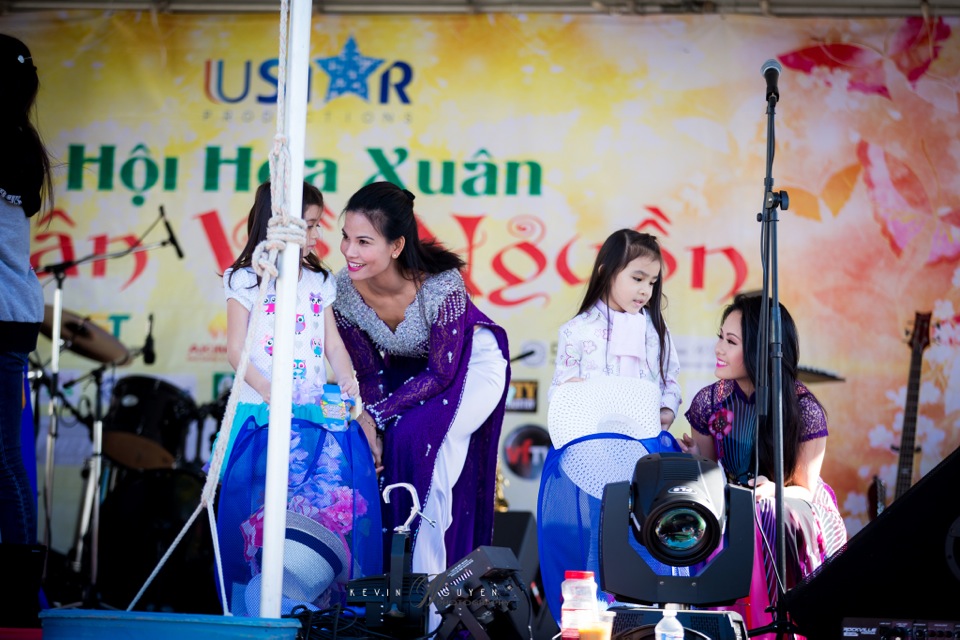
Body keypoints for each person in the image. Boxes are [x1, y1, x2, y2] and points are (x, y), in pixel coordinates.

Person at [215, 181, 381, 615]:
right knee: (255, 509)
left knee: (304, 511)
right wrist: (271, 393)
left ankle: (302, 608)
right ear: (277, 224)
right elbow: (236, 349)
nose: (313, 236)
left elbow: (333, 344)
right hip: (262, 410)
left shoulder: (319, 280)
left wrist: (347, 380)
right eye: (305, 226)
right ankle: (249, 608)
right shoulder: (246, 278)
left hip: (308, 411)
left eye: (315, 226)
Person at [332, 181, 510, 583]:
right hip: (408, 377)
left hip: (471, 367)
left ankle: (431, 592)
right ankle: (402, 588)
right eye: (345, 237)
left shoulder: (440, 283)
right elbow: (369, 373)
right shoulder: (342, 291)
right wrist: (370, 423)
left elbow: (443, 372)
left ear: (396, 246)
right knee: (378, 444)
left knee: (422, 439)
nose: (349, 251)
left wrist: (377, 416)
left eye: (363, 241)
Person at [538, 229, 684, 620]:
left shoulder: (655, 333)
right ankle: (599, 618)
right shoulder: (577, 330)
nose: (645, 291)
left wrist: (665, 412)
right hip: (593, 453)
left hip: (644, 451)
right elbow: (561, 390)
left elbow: (670, 384)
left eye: (652, 282)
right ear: (606, 271)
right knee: (597, 535)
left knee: (646, 534)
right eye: (637, 278)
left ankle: (649, 615)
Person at [681, 293, 847, 634]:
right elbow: (708, 474)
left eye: (731, 341)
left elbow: (805, 490)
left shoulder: (804, 410)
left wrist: (775, 490)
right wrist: (693, 462)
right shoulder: (710, 403)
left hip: (791, 507)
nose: (718, 349)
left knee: (765, 512)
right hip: (728, 502)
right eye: (720, 337)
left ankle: (773, 627)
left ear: (760, 349)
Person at [0, 34, 50, 546]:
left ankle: (16, 587)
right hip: (11, 311)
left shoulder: (11, 142)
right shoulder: (19, 140)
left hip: (5, 313)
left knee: (1, 453)